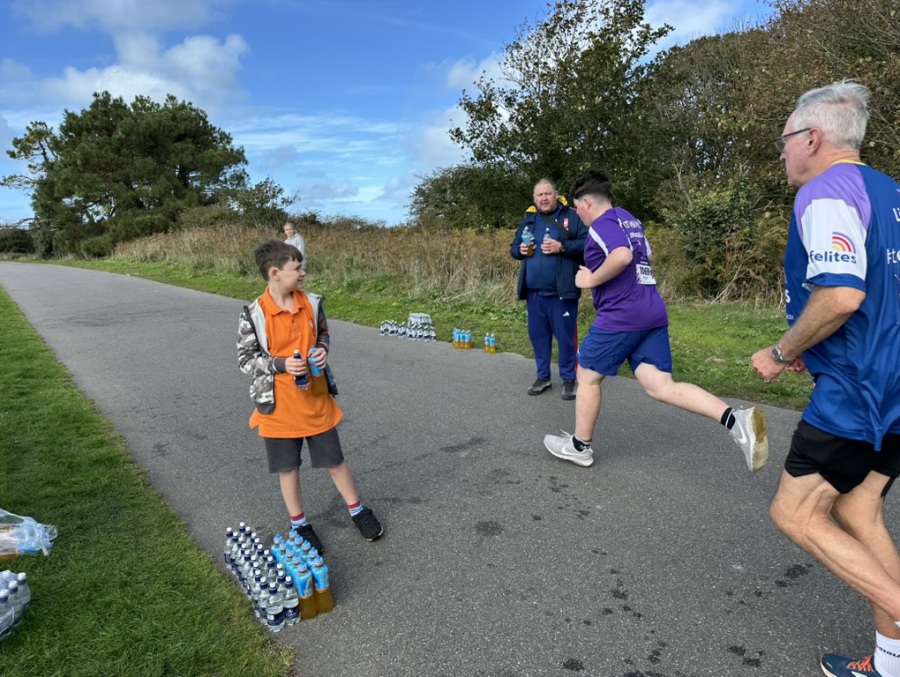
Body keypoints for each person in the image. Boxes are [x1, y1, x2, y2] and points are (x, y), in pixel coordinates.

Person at [749, 82, 900, 677]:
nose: (782, 152)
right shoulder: (891, 192)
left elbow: (840, 295)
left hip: (860, 393)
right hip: (893, 388)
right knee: (859, 512)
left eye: (785, 140)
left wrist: (780, 351)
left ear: (812, 138)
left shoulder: (826, 192)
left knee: (795, 514)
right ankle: (890, 664)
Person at [543, 169, 769, 473]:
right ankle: (735, 420)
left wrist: (591, 279)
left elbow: (622, 256)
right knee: (660, 385)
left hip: (621, 315)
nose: (578, 215)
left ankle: (579, 446)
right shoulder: (629, 220)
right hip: (651, 311)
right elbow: (645, 256)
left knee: (586, 376)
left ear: (586, 203)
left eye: (576, 208)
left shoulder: (601, 224)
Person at [238, 240, 383, 553]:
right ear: (275, 273)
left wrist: (321, 351)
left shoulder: (312, 304)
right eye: (297, 268)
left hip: (316, 400)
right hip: (277, 408)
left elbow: (323, 335)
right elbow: (245, 360)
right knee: (288, 468)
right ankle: (299, 524)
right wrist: (280, 365)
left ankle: (357, 510)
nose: (303, 273)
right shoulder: (254, 314)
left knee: (335, 460)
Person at [510, 179, 588, 400]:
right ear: (534, 198)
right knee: (538, 337)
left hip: (562, 292)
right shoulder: (528, 220)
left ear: (556, 194)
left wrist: (562, 247)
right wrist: (520, 250)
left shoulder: (572, 217)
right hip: (534, 293)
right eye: (540, 195)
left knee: (565, 339)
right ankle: (543, 377)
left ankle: (569, 379)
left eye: (547, 193)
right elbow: (513, 249)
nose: (544, 198)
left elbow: (588, 244)